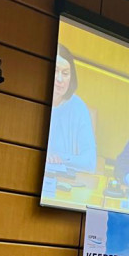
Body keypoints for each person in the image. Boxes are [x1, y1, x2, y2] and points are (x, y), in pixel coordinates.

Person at [46, 45, 97, 173]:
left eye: (65, 73)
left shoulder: (78, 107)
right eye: (55, 70)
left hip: (65, 182)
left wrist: (59, 158)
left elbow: (90, 162)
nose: (59, 79)